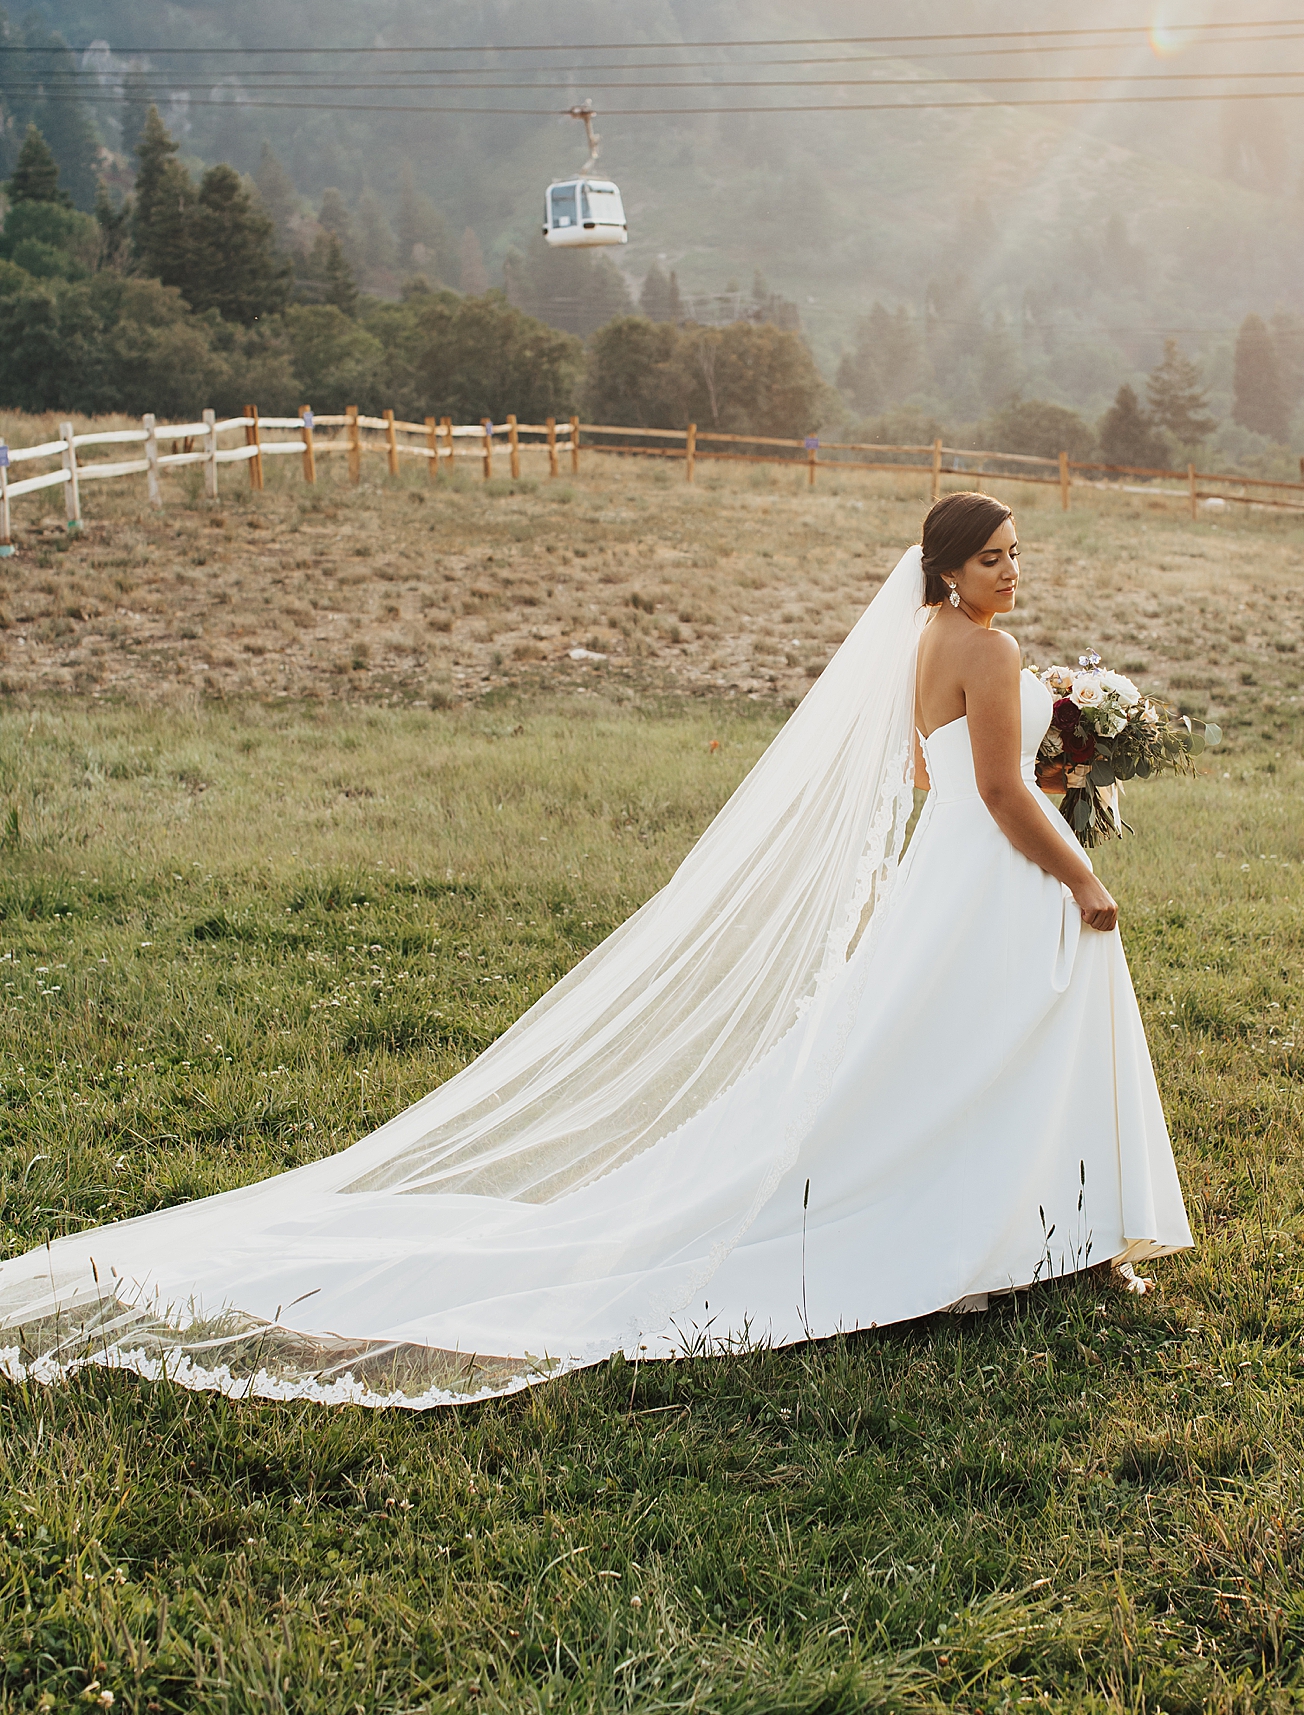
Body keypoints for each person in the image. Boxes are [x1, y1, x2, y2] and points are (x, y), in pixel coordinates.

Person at [0, 495, 1189, 1408]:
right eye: (994, 558)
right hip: (996, 868)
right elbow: (991, 784)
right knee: (1022, 1032)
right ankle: (1045, 1239)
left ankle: (1014, 1234)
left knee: (950, 1048)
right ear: (947, 567)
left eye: (1018, 553)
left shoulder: (924, 636)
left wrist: (1064, 761)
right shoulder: (985, 646)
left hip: (947, 868)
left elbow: (939, 774)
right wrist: (1081, 868)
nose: (1012, 571)